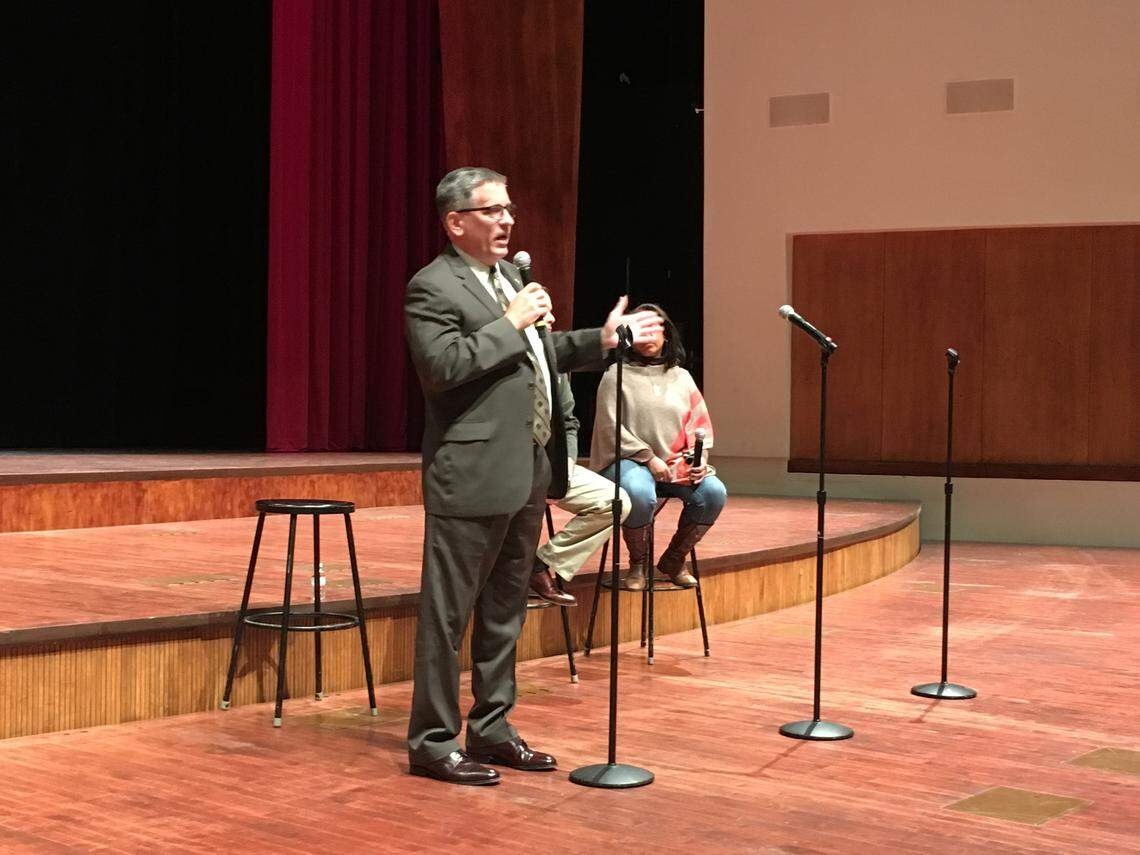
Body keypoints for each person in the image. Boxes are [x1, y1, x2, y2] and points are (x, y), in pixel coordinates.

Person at [403, 167, 664, 785]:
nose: (507, 220)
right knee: (448, 615)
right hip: (469, 474)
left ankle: (491, 729)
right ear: (456, 222)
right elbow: (442, 368)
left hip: (525, 469)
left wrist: (603, 339)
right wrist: (511, 322)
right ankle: (433, 742)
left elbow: (543, 358)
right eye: (492, 211)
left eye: (509, 209)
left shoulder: (507, 280)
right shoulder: (433, 287)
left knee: (504, 610)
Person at [589, 302, 727, 591]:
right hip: (627, 459)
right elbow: (609, 427)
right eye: (641, 331)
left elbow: (698, 424)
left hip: (674, 460)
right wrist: (648, 457)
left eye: (654, 330)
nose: (648, 337)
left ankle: (674, 560)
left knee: (714, 492)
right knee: (640, 493)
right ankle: (638, 564)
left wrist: (699, 458)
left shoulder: (681, 376)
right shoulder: (616, 375)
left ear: (667, 333)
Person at [528, 373, 631, 607]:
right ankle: (503, 579)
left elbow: (568, 422)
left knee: (615, 502)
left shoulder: (554, 367)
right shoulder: (501, 355)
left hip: (551, 463)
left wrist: (567, 463)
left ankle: (540, 564)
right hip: (506, 467)